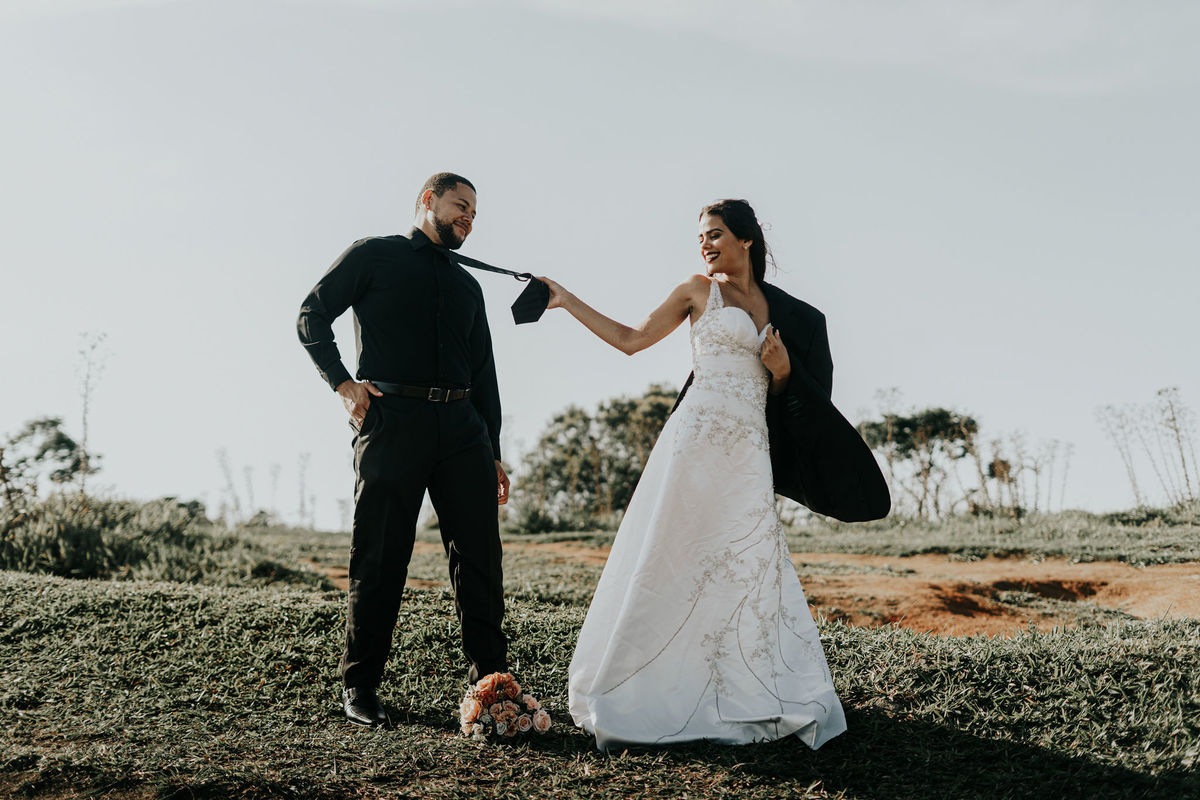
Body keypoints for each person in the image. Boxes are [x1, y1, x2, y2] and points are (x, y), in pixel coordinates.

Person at [540, 199, 851, 750]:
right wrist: (566, 300)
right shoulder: (696, 290)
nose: (705, 245)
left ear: (746, 240)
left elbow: (790, 396)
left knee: (744, 561)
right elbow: (631, 340)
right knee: (675, 553)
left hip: (749, 452)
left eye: (715, 235)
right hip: (696, 442)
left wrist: (781, 374)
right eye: (701, 237)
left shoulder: (778, 309)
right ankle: (642, 687)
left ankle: (743, 685)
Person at [296, 172, 511, 728]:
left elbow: (484, 371)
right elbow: (311, 315)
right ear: (427, 201)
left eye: (474, 212)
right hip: (391, 421)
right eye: (460, 205)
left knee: (480, 558)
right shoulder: (375, 256)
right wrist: (343, 383)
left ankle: (491, 685)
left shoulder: (469, 286)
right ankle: (360, 687)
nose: (468, 217)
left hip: (464, 428)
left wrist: (492, 448)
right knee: (382, 554)